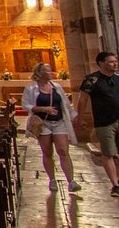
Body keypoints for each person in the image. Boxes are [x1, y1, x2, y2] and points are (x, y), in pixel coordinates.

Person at [76, 50, 119, 197]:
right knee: (108, 152)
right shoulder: (92, 79)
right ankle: (114, 184)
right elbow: (83, 99)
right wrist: (80, 117)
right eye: (111, 62)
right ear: (101, 63)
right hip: (104, 122)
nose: (115, 64)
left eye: (116, 61)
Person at [21, 62, 80, 194]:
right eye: (47, 70)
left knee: (63, 151)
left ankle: (71, 181)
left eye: (50, 70)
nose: (50, 72)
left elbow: (65, 103)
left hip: (59, 122)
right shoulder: (31, 88)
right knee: (47, 152)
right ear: (39, 73)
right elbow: (26, 105)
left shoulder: (56, 87)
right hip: (42, 124)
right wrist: (42, 108)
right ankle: (52, 179)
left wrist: (74, 116)